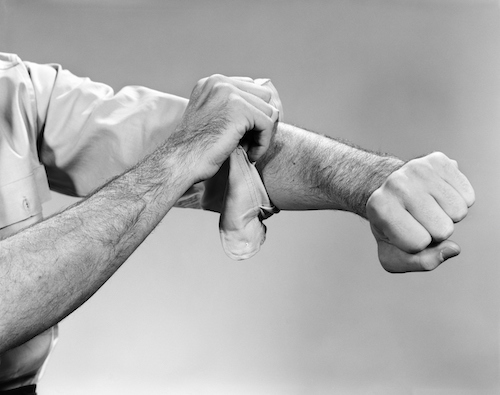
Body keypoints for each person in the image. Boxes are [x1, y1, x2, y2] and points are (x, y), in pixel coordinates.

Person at [0, 52, 474, 393]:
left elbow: (223, 143)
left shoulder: (12, 87)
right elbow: (191, 146)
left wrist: (375, 184)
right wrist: (183, 155)